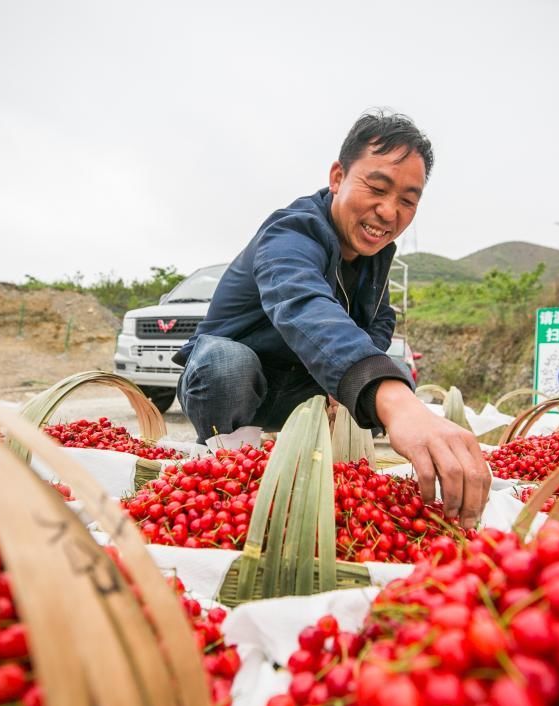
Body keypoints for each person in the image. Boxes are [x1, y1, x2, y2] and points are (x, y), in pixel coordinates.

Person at [174, 110, 490, 527]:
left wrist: (347, 389)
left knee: (380, 374)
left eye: (408, 201)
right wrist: (397, 403)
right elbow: (301, 304)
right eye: (377, 187)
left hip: (299, 393)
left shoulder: (374, 258)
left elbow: (379, 321)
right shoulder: (291, 233)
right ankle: (223, 469)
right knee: (228, 363)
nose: (388, 211)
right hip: (236, 385)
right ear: (338, 177)